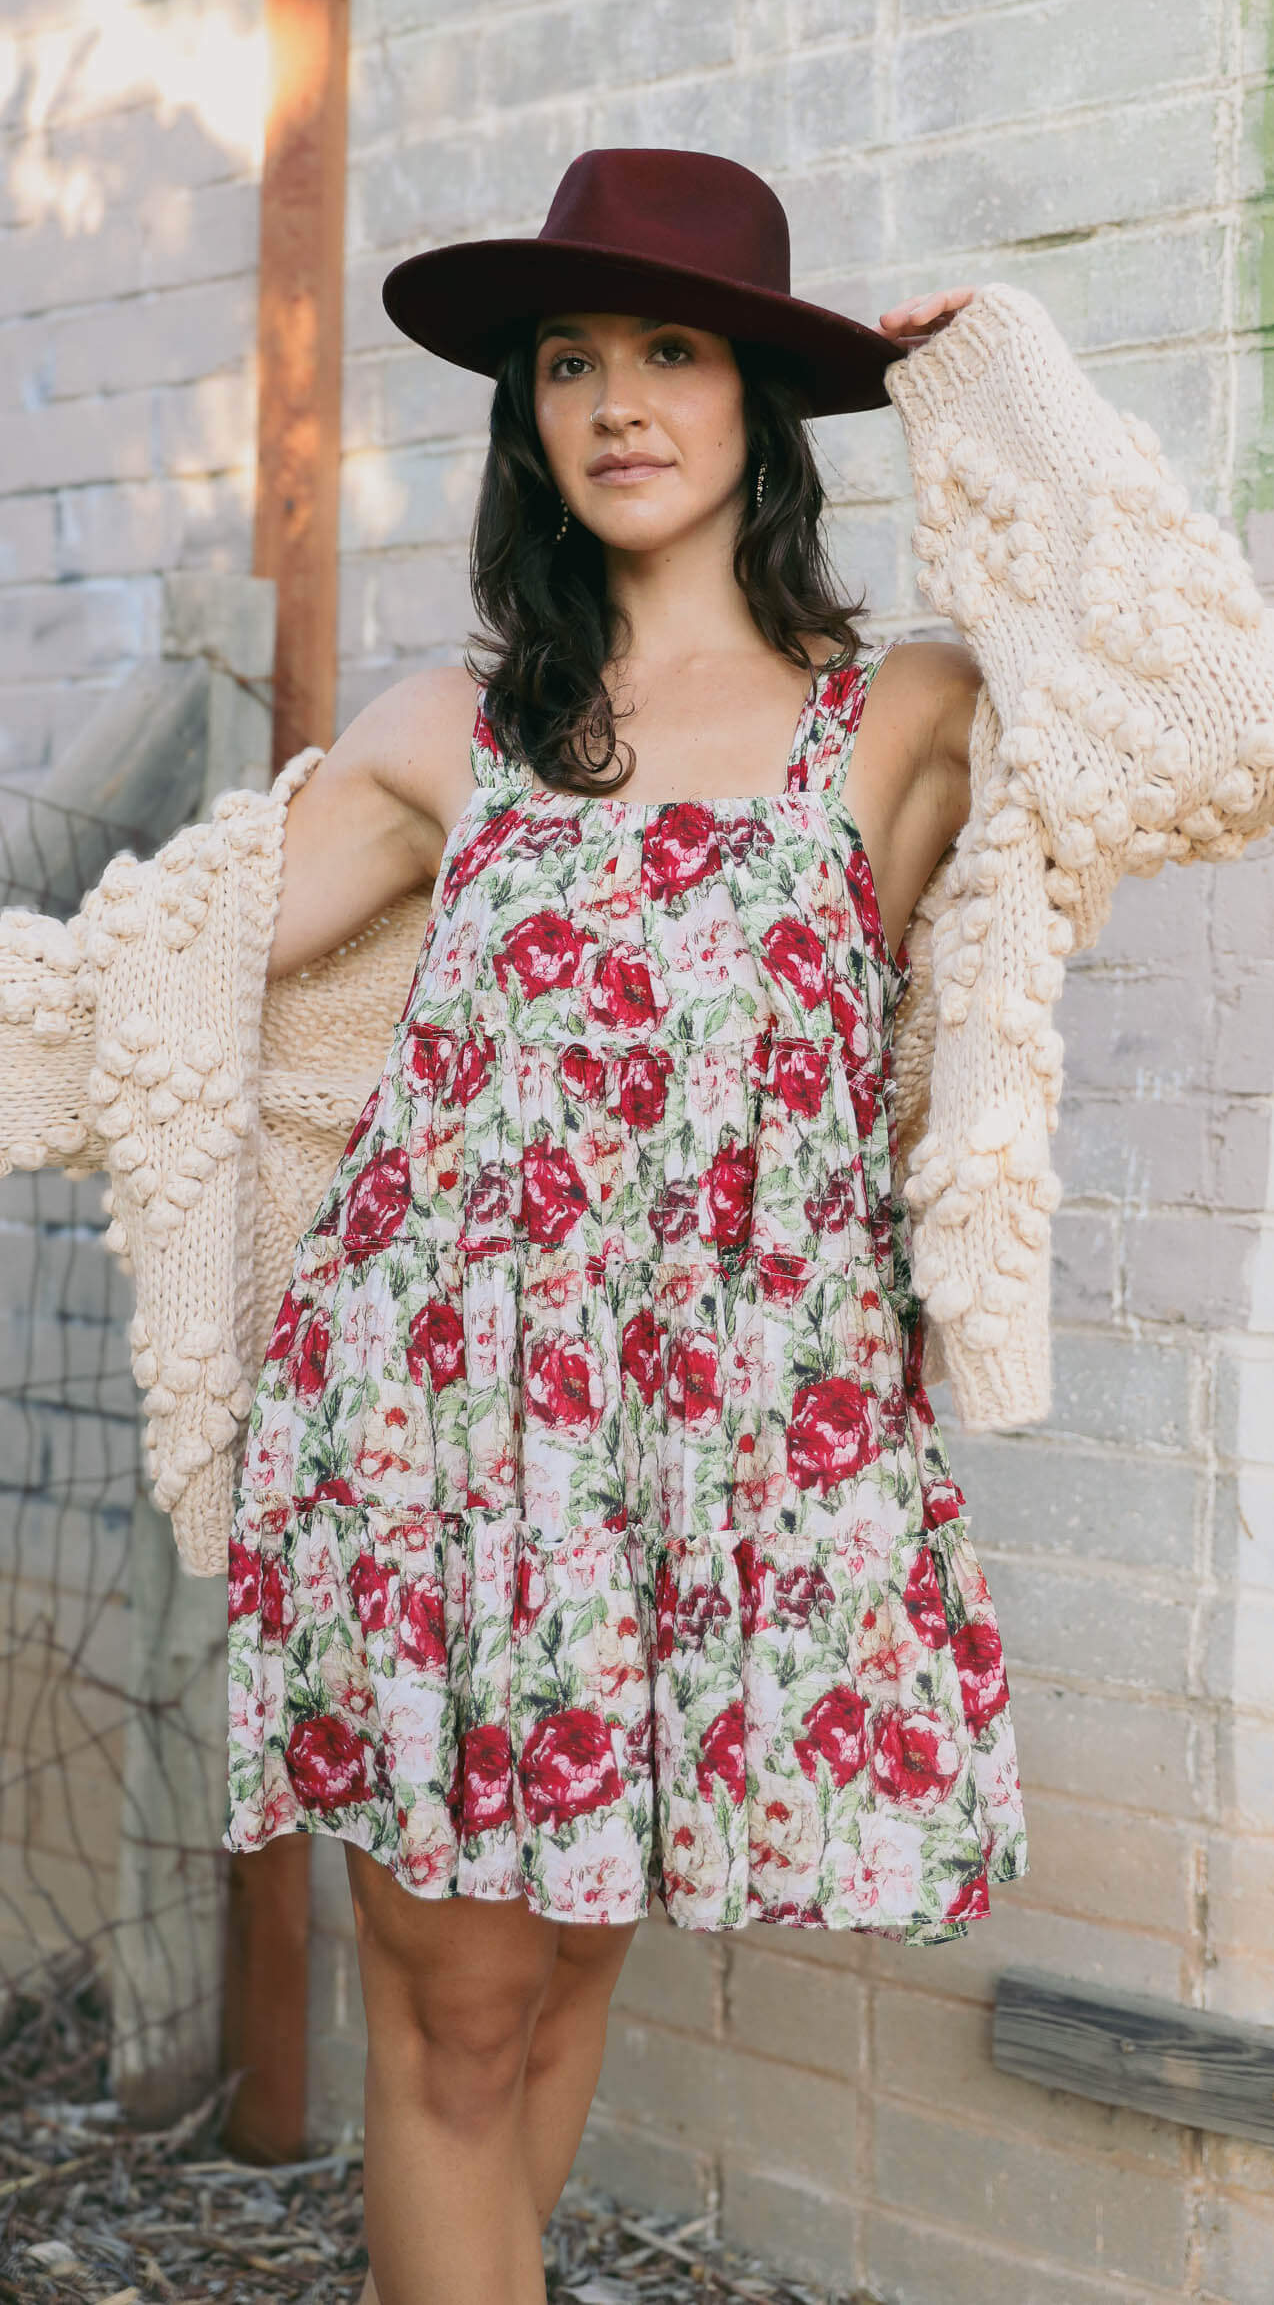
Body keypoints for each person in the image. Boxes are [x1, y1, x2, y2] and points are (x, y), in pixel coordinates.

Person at [236, 148, 1012, 2305]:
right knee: (465, 2007)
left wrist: (999, 404)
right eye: (567, 362)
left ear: (763, 397)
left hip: (696, 1459)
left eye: (672, 350)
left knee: (567, 1965)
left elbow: (1205, 725)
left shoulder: (907, 721)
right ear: (525, 420)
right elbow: (136, 985)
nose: (616, 399)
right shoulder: (447, 738)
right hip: (442, 1447)